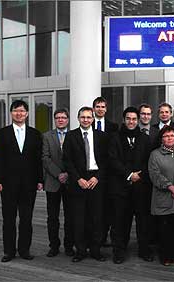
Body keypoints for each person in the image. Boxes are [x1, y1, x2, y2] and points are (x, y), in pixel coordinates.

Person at [0, 100, 43, 262]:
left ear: (27, 114)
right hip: (7, 184)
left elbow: (38, 160)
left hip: (29, 184)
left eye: (22, 111)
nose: (19, 113)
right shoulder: (1, 133)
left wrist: (40, 180)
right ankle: (9, 251)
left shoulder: (35, 134)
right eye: (15, 111)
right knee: (8, 218)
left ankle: (24, 250)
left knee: (26, 219)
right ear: (11, 113)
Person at [62, 106, 109, 262]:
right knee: (79, 218)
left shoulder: (102, 136)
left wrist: (97, 177)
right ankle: (80, 250)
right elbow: (67, 161)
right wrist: (78, 179)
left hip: (96, 180)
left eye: (89, 117)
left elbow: (106, 161)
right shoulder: (70, 136)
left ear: (93, 118)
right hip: (79, 181)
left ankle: (96, 250)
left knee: (97, 218)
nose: (86, 120)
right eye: (83, 117)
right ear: (78, 118)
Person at [107, 107, 153, 264]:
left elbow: (150, 161)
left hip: (141, 187)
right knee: (120, 222)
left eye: (134, 119)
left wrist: (139, 176)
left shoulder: (145, 138)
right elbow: (112, 160)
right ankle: (119, 252)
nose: (131, 121)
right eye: (128, 118)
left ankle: (144, 250)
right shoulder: (114, 138)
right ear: (124, 120)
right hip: (120, 187)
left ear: (138, 120)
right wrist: (129, 175)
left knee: (143, 222)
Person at [148, 126, 174, 266]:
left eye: (172, 135)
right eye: (166, 136)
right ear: (161, 139)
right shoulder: (155, 154)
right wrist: (170, 186)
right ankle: (165, 257)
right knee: (164, 231)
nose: (169, 138)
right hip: (162, 198)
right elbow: (154, 174)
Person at [42, 108, 74, 258]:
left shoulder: (74, 135)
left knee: (70, 217)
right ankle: (53, 246)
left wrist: (68, 174)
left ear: (68, 119)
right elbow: (45, 158)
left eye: (63, 117)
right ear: (54, 120)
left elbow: (77, 158)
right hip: (52, 182)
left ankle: (69, 246)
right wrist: (58, 174)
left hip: (70, 182)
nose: (60, 120)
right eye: (57, 118)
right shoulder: (47, 136)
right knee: (52, 217)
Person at [92, 96, 118, 246]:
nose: (100, 109)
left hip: (109, 173)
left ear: (106, 109)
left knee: (108, 208)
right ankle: (95, 237)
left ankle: (104, 237)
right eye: (98, 106)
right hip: (91, 172)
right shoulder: (88, 123)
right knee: (95, 208)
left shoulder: (113, 127)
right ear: (94, 108)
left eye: (103, 106)